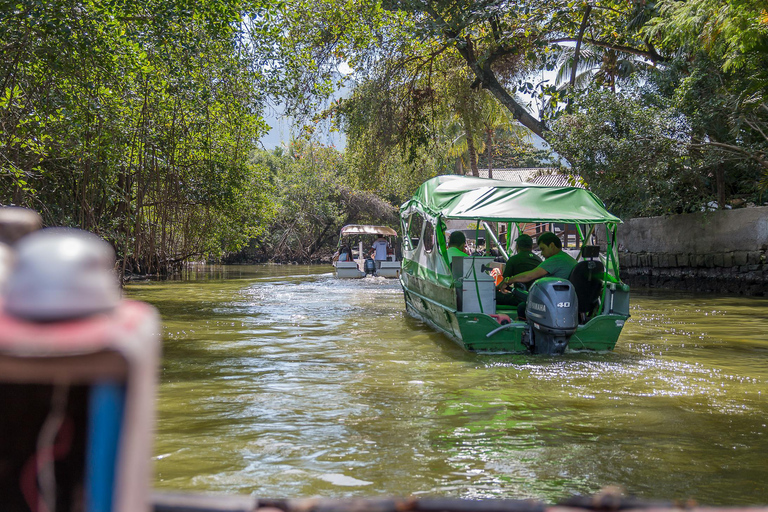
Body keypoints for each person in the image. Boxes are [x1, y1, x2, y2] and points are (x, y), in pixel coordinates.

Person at [504, 232, 578, 318]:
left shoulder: (555, 259)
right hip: (565, 301)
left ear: (552, 245)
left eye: (543, 249)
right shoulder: (568, 259)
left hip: (555, 303)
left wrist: (509, 280)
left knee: (522, 306)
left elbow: (529, 276)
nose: (542, 254)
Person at [496, 234, 542, 306]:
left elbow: (504, 283)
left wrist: (494, 289)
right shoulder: (538, 260)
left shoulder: (513, 259)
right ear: (531, 246)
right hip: (536, 298)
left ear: (517, 246)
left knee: (494, 296)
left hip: (520, 298)